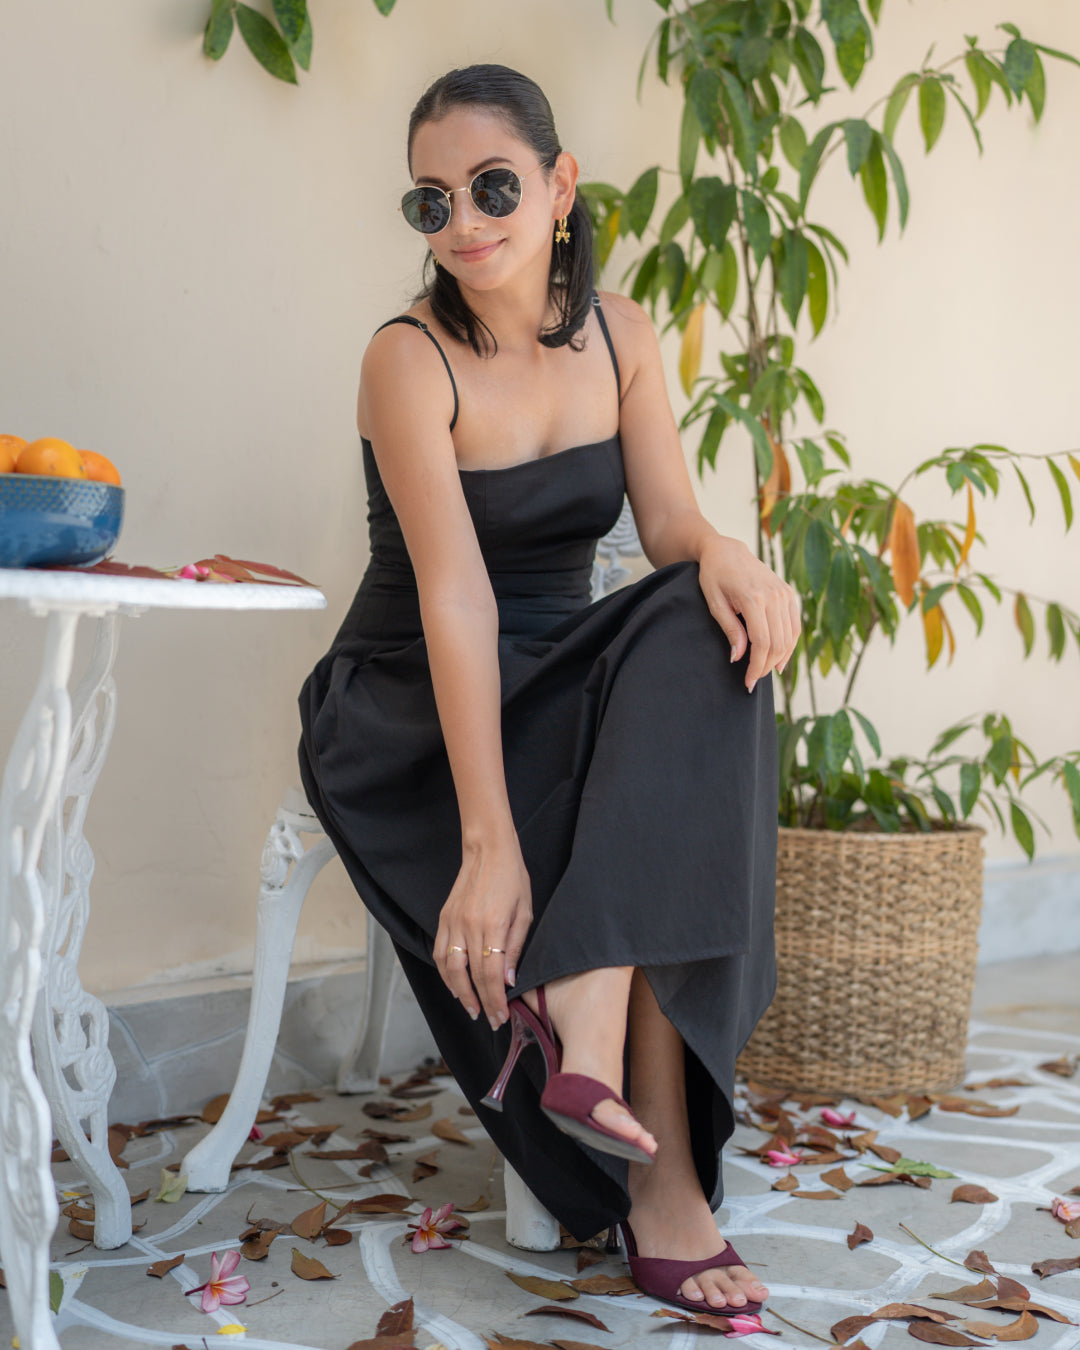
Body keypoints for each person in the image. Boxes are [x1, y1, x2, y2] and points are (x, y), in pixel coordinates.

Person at [297, 63, 799, 1315]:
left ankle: (586, 1004)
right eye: (432, 201)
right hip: (413, 698)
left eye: (493, 186)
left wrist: (728, 554)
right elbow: (455, 599)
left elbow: (670, 527)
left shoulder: (622, 334)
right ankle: (660, 1183)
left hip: (558, 671)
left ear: (560, 185)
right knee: (654, 762)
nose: (463, 222)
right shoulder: (408, 358)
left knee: (703, 622)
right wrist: (489, 846)